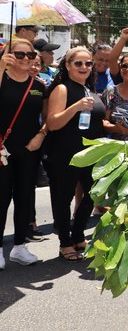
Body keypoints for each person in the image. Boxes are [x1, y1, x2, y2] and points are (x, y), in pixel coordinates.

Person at [45, 46, 106, 261]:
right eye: (78, 63)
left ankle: (78, 235)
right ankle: (65, 243)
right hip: (65, 153)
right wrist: (76, 107)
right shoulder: (62, 89)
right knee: (63, 198)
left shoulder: (89, 89)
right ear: (68, 65)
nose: (84, 67)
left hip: (91, 154)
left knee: (93, 194)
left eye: (88, 63)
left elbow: (97, 121)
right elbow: (52, 123)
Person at [0, 39, 47, 268]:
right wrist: (0, 67)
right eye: (19, 54)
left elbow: (47, 117)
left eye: (30, 55)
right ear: (8, 55)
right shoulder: (2, 79)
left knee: (24, 198)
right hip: (2, 150)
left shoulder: (39, 85)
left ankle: (19, 246)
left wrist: (41, 135)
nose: (26, 59)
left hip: (29, 150)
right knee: (1, 199)